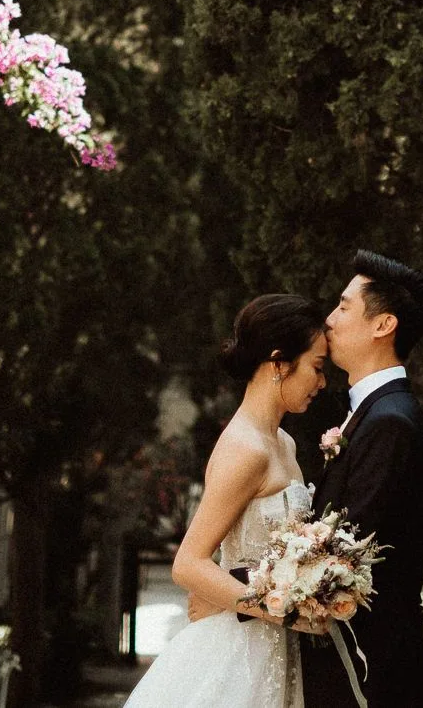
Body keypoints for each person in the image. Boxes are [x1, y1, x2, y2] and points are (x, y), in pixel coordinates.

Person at [122, 294, 331, 708]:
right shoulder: (245, 449)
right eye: (317, 368)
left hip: (278, 650)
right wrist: (285, 612)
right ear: (278, 363)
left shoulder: (283, 444)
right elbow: (189, 563)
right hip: (240, 650)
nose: (322, 383)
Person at [302, 250, 423, 708]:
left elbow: (346, 556)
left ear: (384, 325)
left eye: (343, 307)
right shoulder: (371, 414)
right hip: (357, 663)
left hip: (373, 670)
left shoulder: (391, 422)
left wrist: (237, 587)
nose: (329, 320)